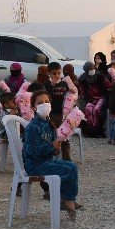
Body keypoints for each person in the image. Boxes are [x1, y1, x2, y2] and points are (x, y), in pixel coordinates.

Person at [24, 91, 79, 220]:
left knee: (72, 167)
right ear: (33, 107)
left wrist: (56, 148)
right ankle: (66, 201)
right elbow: (32, 151)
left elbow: (52, 148)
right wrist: (51, 146)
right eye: (40, 103)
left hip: (47, 161)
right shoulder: (33, 127)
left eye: (47, 102)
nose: (44, 105)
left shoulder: (49, 124)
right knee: (66, 170)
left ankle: (68, 199)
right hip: (35, 165)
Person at [77, 61, 110, 138]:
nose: (92, 70)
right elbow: (81, 92)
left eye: (93, 68)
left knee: (96, 110)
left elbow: (109, 86)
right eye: (90, 69)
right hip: (90, 99)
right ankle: (90, 131)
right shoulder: (82, 79)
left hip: (101, 98)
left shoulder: (100, 77)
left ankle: (98, 131)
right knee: (88, 110)